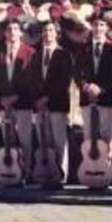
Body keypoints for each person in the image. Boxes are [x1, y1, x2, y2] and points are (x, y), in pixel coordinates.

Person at [0, 18, 36, 181]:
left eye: (15, 29)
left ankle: (27, 172)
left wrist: (16, 96)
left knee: (25, 138)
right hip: (5, 104)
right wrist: (2, 98)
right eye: (9, 29)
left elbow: (31, 78)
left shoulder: (30, 52)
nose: (12, 32)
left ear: (21, 33)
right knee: (8, 139)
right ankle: (11, 171)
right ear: (5, 33)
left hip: (23, 102)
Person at [75, 14, 112, 160]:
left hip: (106, 95)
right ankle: (90, 164)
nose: (98, 28)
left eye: (102, 25)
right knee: (88, 133)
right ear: (91, 27)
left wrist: (101, 88)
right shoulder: (82, 47)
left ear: (107, 28)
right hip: (87, 95)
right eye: (95, 25)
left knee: (106, 133)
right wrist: (86, 87)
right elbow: (76, 71)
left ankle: (106, 166)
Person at [31, 20, 73, 183]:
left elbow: (64, 81)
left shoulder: (64, 54)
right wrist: (38, 99)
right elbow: (32, 79)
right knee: (44, 140)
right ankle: (47, 172)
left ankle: (60, 176)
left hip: (57, 103)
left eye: (50, 31)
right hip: (39, 105)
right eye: (45, 31)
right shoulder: (35, 54)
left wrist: (47, 98)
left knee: (58, 140)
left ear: (56, 34)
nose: (47, 34)